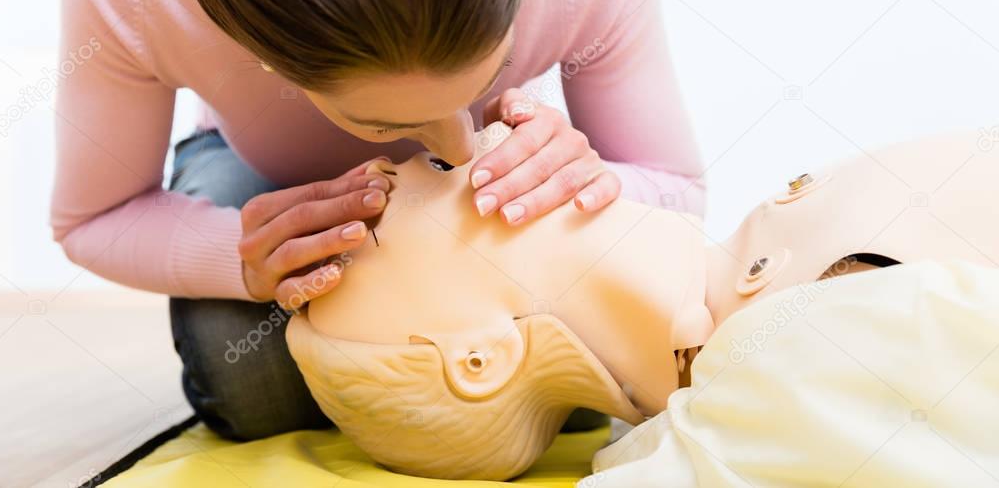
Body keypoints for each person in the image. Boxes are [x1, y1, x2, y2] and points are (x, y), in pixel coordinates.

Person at [48, 0, 704, 441]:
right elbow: (94, 218)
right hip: (258, 168)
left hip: (497, 200)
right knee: (250, 380)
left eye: (484, 75)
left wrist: (582, 181)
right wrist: (242, 258)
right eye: (384, 122)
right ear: (263, 58)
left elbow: (673, 184)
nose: (452, 144)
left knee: (594, 360)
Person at [285, 121, 999, 481]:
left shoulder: (746, 270)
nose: (385, 163)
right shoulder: (763, 385)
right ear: (478, 356)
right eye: (368, 233)